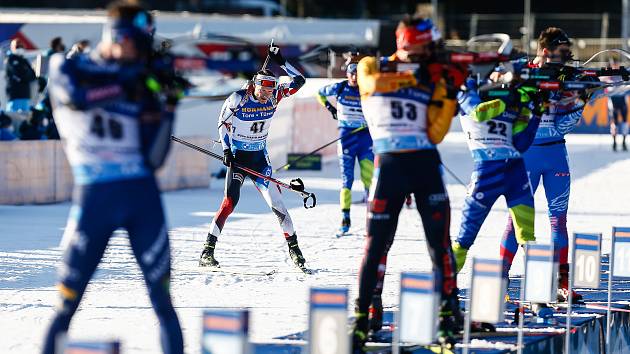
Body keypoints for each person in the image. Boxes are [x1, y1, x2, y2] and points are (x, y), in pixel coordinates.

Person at [42, 2, 184, 353]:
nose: (137, 54)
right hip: (94, 198)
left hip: (142, 197)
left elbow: (154, 159)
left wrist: (168, 106)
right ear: (115, 37)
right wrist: (127, 81)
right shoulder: (69, 66)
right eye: (135, 44)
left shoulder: (140, 78)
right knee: (65, 304)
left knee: (163, 302)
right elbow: (74, 98)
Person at [352, 17, 463, 351]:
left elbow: (436, 132)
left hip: (424, 163)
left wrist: (447, 93)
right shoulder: (374, 65)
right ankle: (362, 318)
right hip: (389, 166)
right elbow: (371, 86)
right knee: (375, 246)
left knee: (438, 246)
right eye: (426, 44)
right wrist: (418, 76)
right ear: (410, 42)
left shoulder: (434, 75)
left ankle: (447, 316)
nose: (431, 50)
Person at [499, 27, 596, 302]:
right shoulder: (523, 74)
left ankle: (562, 283)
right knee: (517, 220)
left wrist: (580, 100)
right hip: (525, 156)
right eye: (560, 53)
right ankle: (499, 282)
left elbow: (563, 126)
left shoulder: (567, 78)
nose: (565, 59)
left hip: (555, 155)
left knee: (558, 221)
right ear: (544, 51)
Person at [198, 43, 308, 270]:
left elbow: (299, 81)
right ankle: (207, 251)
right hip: (239, 159)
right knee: (229, 203)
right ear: (254, 85)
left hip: (259, 160)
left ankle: (295, 251)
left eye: (271, 87)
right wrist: (227, 151)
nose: (267, 92)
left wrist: (281, 62)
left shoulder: (274, 97)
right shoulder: (238, 99)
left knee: (277, 205)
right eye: (264, 87)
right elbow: (222, 124)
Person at [451, 72, 543, 273]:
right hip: (486, 171)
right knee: (465, 238)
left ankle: (540, 296)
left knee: (528, 237)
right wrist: (509, 100)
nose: (503, 76)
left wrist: (535, 114)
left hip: (515, 172)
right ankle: (443, 287)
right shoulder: (469, 87)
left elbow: (520, 144)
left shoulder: (511, 96)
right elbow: (478, 113)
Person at [317, 61, 374, 235]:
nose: (355, 78)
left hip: (365, 138)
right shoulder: (340, 87)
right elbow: (320, 93)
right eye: (352, 74)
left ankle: (371, 220)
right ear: (347, 75)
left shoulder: (367, 88)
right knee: (346, 180)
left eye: (358, 74)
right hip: (346, 137)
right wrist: (330, 109)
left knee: (368, 180)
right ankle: (345, 219)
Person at [4, 38, 38, 113]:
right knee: (13, 116)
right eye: (17, 46)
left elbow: (33, 76)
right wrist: (26, 77)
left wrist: (26, 77)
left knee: (25, 118)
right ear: (12, 48)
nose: (20, 48)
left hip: (25, 95)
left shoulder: (24, 60)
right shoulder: (11, 59)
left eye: (21, 46)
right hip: (15, 95)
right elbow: (19, 74)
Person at [608, 86, 629, 151]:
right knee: (614, 123)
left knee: (624, 121)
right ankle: (614, 142)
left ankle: (624, 142)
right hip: (613, 98)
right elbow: (603, 79)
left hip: (622, 98)